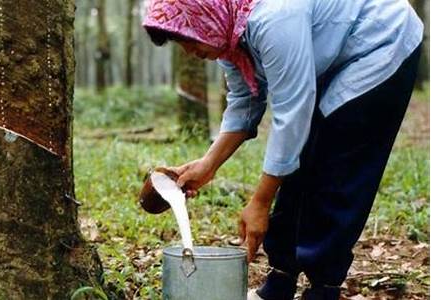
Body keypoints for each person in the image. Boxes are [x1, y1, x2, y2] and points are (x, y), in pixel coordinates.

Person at [143, 0, 423, 299]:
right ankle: (281, 278)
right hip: (338, 51)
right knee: (299, 159)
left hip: (381, 40)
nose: (190, 52)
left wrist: (261, 201)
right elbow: (245, 102)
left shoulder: (274, 18)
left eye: (188, 38)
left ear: (204, 15)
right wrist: (208, 164)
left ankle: (323, 286)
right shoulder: (230, 33)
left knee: (338, 163)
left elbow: (291, 113)